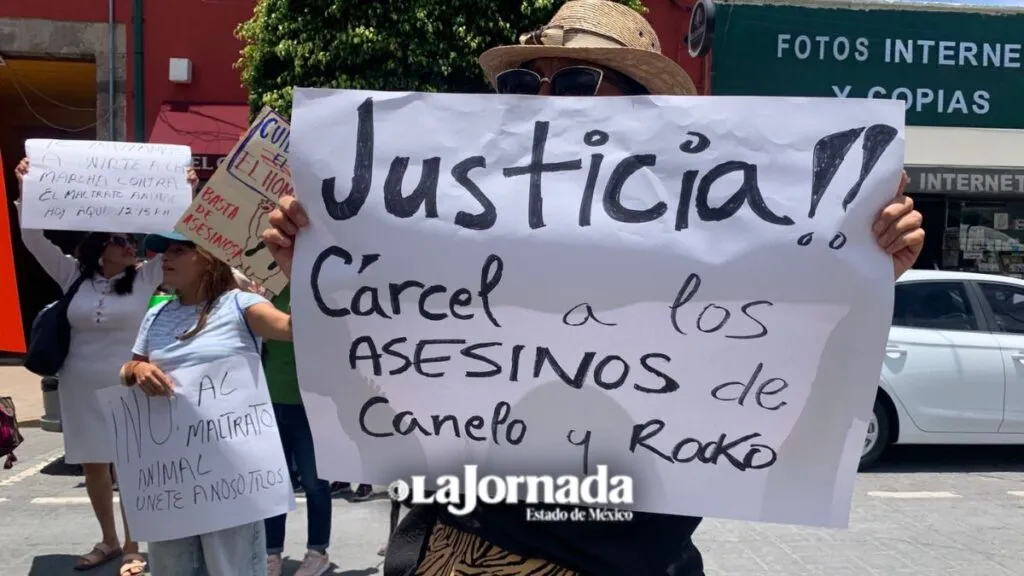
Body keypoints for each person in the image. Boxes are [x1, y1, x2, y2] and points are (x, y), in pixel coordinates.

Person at [261, 2, 926, 575]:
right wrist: (328, 289)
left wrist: (860, 282)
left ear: (645, 113)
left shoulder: (719, 265)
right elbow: (373, 420)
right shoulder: (445, 250)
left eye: (577, 81)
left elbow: (790, 440)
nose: (544, 99)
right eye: (525, 81)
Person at [14, 158, 197, 575]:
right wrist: (29, 189)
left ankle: (134, 546)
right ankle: (108, 540)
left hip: (128, 385)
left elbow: (185, 244)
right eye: (120, 241)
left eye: (130, 241)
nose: (130, 247)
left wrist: (186, 192)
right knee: (94, 464)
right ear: (100, 247)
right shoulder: (72, 275)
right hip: (78, 384)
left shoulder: (148, 276)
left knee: (130, 466)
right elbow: (33, 239)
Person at [120, 231, 294, 576]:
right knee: (171, 568)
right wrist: (137, 370)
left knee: (233, 568)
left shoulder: (240, 305)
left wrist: (294, 270)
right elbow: (127, 369)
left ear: (209, 258)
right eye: (163, 251)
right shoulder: (156, 315)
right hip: (170, 479)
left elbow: (294, 327)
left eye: (178, 250)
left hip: (229, 481)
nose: (165, 258)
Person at [262, 284, 332, 576]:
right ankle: (271, 553)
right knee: (272, 483)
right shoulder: (264, 290)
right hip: (267, 399)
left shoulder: (325, 285)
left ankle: (317, 551)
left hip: (312, 404)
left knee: (315, 483)